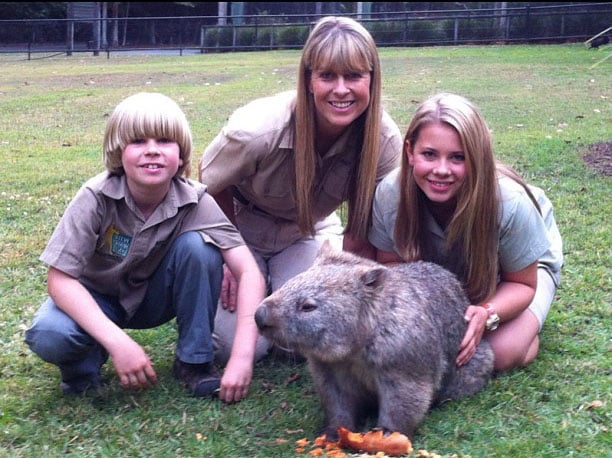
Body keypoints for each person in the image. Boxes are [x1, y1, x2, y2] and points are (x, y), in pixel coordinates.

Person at [24, 92, 265, 403]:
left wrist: (242, 358)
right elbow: (60, 280)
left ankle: (194, 363)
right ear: (118, 152)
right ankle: (83, 365)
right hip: (97, 298)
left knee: (199, 248)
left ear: (181, 153)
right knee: (50, 333)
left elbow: (248, 272)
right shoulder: (95, 197)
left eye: (165, 140)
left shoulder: (195, 200)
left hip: (154, 299)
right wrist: (117, 341)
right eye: (138, 141)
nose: (152, 151)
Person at [199, 16, 403, 362]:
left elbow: (363, 225)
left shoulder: (382, 140)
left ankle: (270, 283)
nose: (341, 90)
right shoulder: (257, 130)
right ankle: (218, 293)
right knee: (233, 345)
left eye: (354, 76)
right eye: (327, 76)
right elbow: (208, 184)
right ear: (308, 80)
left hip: (306, 232)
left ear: (372, 80)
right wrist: (228, 256)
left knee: (305, 336)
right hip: (241, 228)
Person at [368, 92, 563, 371]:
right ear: (410, 152)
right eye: (429, 154)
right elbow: (389, 264)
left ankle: (526, 333)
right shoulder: (391, 193)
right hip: (452, 269)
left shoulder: (510, 204)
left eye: (458, 157)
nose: (442, 170)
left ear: (477, 157)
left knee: (500, 352)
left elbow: (522, 284)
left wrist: (487, 313)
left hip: (524, 268)